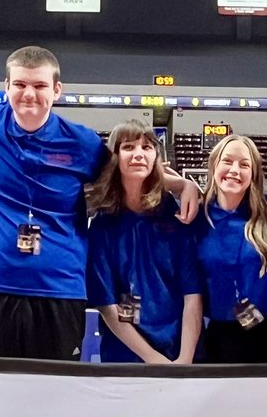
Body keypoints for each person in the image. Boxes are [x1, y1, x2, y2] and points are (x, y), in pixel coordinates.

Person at [0, 46, 198, 360]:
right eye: (19, 85)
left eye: (39, 85)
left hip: (59, 292)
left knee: (54, 399)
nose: (28, 94)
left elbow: (127, 171)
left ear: (57, 90)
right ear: (6, 87)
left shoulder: (82, 142)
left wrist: (180, 183)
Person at [86, 120, 202, 364]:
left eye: (147, 147)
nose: (138, 154)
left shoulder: (177, 216)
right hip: (125, 357)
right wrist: (154, 360)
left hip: (180, 354)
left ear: (156, 158)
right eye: (128, 147)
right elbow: (108, 306)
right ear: (115, 156)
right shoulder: (102, 226)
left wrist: (184, 360)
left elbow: (192, 294)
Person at [194, 134, 267, 364]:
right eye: (227, 161)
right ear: (214, 165)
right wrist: (181, 184)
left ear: (253, 173)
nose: (235, 170)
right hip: (219, 336)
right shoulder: (194, 216)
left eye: (244, 164)